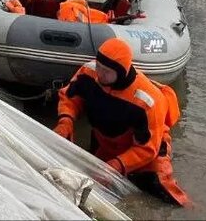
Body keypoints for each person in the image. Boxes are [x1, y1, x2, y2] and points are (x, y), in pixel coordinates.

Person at [53, 38, 191, 207]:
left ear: (121, 73)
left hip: (148, 152)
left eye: (106, 71)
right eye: (99, 67)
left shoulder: (146, 101)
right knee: (90, 183)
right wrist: (66, 120)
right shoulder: (89, 72)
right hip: (106, 140)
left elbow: (147, 148)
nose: (100, 74)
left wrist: (117, 165)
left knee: (169, 198)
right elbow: (70, 97)